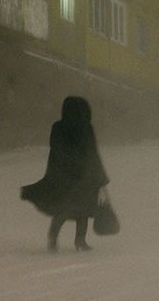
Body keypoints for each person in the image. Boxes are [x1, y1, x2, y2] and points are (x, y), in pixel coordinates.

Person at [20, 95, 110, 251]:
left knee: (63, 209)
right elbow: (93, 154)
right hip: (84, 177)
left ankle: (53, 239)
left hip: (64, 177)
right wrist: (99, 177)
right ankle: (80, 242)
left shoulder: (58, 127)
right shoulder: (86, 128)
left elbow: (56, 150)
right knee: (83, 210)